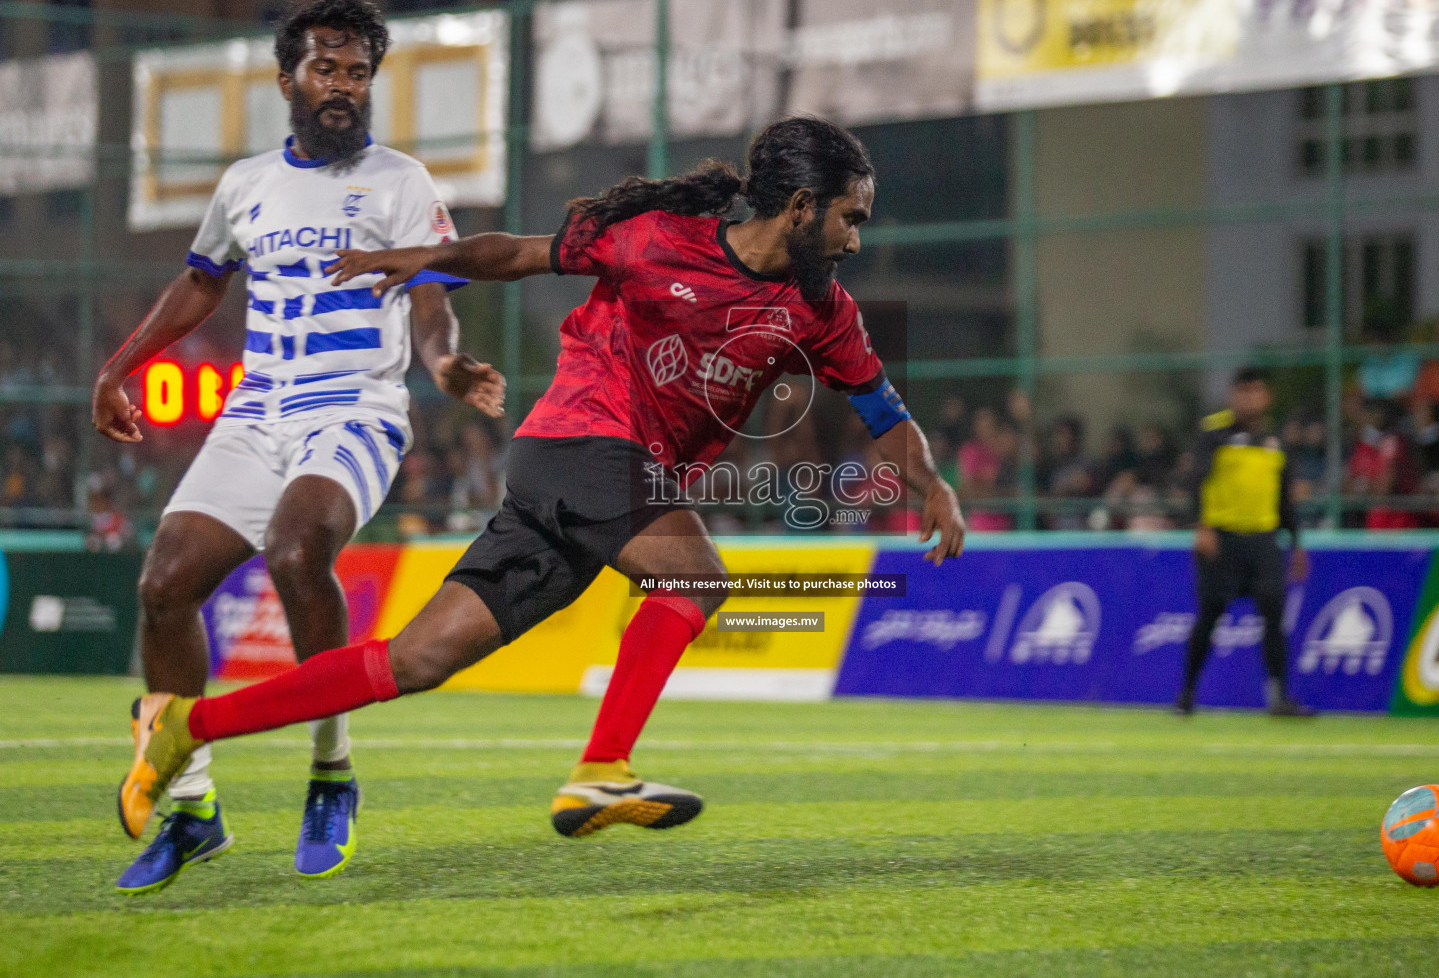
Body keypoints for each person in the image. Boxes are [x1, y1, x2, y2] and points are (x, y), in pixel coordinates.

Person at [116, 117, 967, 852]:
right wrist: (426, 259)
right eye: (850, 217)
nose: (857, 238)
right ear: (800, 207)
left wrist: (931, 484)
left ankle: (187, 726)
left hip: (589, 479)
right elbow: (518, 254)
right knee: (700, 579)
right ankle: (601, 770)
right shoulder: (658, 238)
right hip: (578, 441)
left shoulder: (822, 311)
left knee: (415, 660)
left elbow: (885, 415)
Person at [92, 0, 506, 894]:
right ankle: (193, 809)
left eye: (358, 72)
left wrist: (442, 365)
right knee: (163, 585)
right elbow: (201, 284)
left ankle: (331, 773)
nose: (344, 87)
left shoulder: (400, 181)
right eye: (327, 68)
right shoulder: (245, 184)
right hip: (255, 412)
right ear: (288, 79)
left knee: (296, 548)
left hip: (354, 408)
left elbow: (431, 297)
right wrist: (120, 367)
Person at [1177, 368, 1312, 717]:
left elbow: (1284, 498)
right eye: (1243, 391)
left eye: (1256, 391)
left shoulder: (1277, 441)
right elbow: (1196, 482)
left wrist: (1296, 543)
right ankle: (1187, 692)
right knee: (1209, 614)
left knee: (1273, 613)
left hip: (1264, 541)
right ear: (1232, 395)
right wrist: (1201, 527)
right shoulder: (1214, 433)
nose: (1249, 399)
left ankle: (1278, 697)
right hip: (1221, 539)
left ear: (1267, 397)